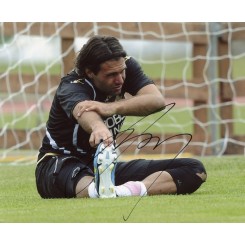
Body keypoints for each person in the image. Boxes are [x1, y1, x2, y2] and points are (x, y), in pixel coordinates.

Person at [35, 35, 207, 199]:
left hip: (104, 167)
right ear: (90, 72)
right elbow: (83, 110)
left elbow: (157, 100)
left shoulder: (125, 66)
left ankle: (122, 192)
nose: (120, 80)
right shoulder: (72, 85)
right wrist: (99, 127)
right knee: (85, 180)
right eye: (110, 75)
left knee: (194, 169)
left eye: (121, 72)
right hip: (57, 164)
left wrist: (111, 108)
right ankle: (99, 190)